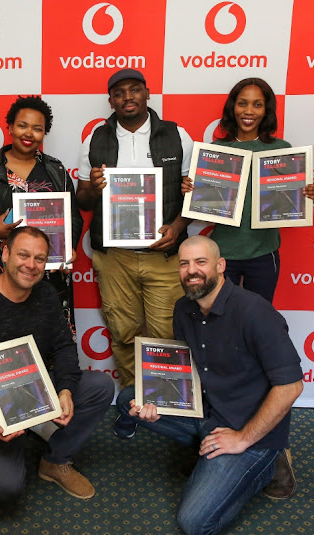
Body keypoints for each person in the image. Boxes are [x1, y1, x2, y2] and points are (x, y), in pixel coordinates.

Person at [116, 235, 304, 535]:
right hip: (209, 411)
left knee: (195, 523)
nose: (192, 270)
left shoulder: (254, 312)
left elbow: (291, 386)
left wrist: (243, 438)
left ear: (220, 266)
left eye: (201, 262)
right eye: (184, 263)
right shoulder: (183, 308)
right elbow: (188, 375)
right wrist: (158, 401)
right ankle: (211, 457)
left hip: (248, 431)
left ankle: (265, 465)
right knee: (130, 399)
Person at [0, 227, 114, 503]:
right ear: (5, 253)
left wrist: (66, 390)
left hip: (33, 390)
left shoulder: (46, 295)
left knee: (101, 386)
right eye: (23, 255)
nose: (31, 265)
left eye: (39, 259)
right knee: (5, 489)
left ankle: (55, 460)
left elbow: (63, 345)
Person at [76, 68, 194, 438]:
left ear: (147, 94)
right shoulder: (96, 138)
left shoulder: (177, 135)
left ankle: (166, 409)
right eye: (119, 93)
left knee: (165, 336)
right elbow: (81, 198)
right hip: (115, 258)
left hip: (164, 254)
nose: (127, 97)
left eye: (134, 90)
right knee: (124, 334)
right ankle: (132, 404)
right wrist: (93, 189)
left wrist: (177, 227)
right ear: (110, 99)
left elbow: (195, 192)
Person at [182, 77, 314, 303]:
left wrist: (308, 194)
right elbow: (204, 200)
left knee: (259, 318)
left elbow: (293, 197)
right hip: (223, 253)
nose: (249, 111)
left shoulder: (281, 149)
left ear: (266, 110)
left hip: (263, 253)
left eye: (257, 104)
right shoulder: (216, 150)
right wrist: (191, 190)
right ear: (233, 107)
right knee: (220, 317)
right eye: (242, 103)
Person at [0, 95, 83, 333]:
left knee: (51, 342)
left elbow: (74, 217)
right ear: (10, 127)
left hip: (50, 273)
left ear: (44, 133)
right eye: (22, 125)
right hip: (2, 271)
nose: (29, 133)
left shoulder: (56, 170)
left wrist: (68, 247)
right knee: (5, 340)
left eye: (37, 129)